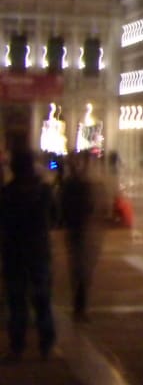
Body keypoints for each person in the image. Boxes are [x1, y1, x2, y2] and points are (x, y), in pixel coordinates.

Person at [1, 143, 56, 360]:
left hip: (14, 252)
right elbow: (55, 217)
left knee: (17, 301)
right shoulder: (44, 192)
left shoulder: (7, 193)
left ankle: (17, 346)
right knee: (42, 298)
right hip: (39, 250)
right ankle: (46, 343)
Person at [60, 153, 104, 322]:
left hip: (77, 230)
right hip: (83, 230)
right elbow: (95, 207)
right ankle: (80, 306)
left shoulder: (69, 184)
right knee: (83, 269)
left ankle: (79, 305)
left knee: (78, 267)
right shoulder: (84, 185)